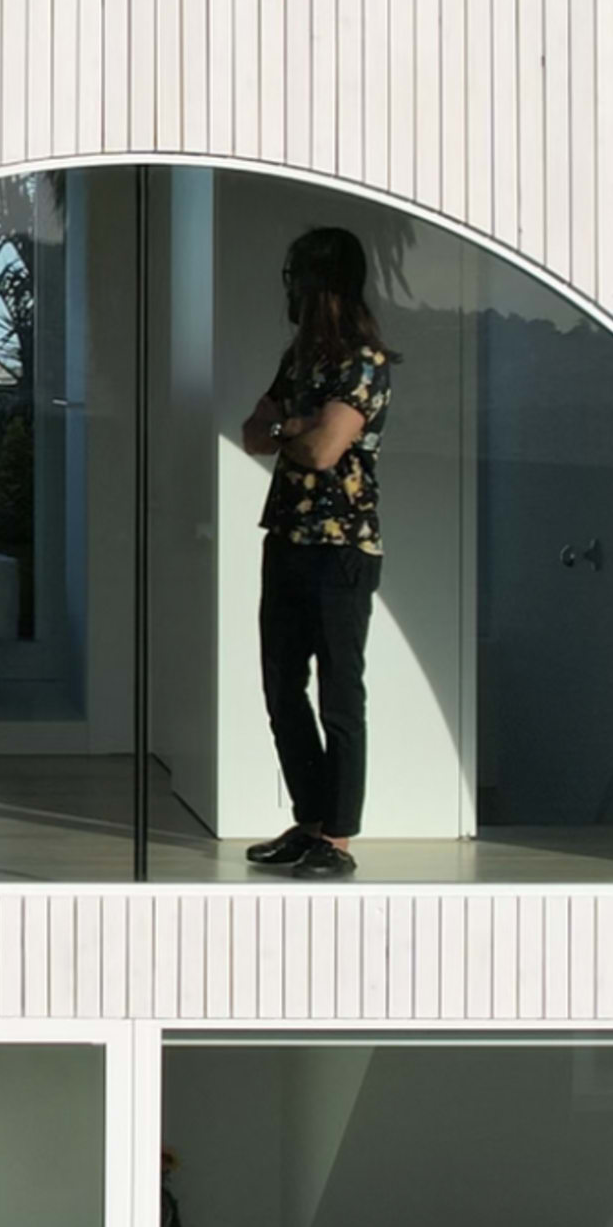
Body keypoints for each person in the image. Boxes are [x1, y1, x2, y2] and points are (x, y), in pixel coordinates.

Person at [240, 226, 396, 878]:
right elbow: (253, 433)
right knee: (281, 687)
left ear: (322, 284)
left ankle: (338, 837)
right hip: (288, 540)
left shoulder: (365, 361)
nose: (289, 288)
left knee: (339, 694)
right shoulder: (298, 360)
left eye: (296, 276)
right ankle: (308, 821)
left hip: (341, 549)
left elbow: (323, 450)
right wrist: (295, 425)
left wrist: (294, 428)